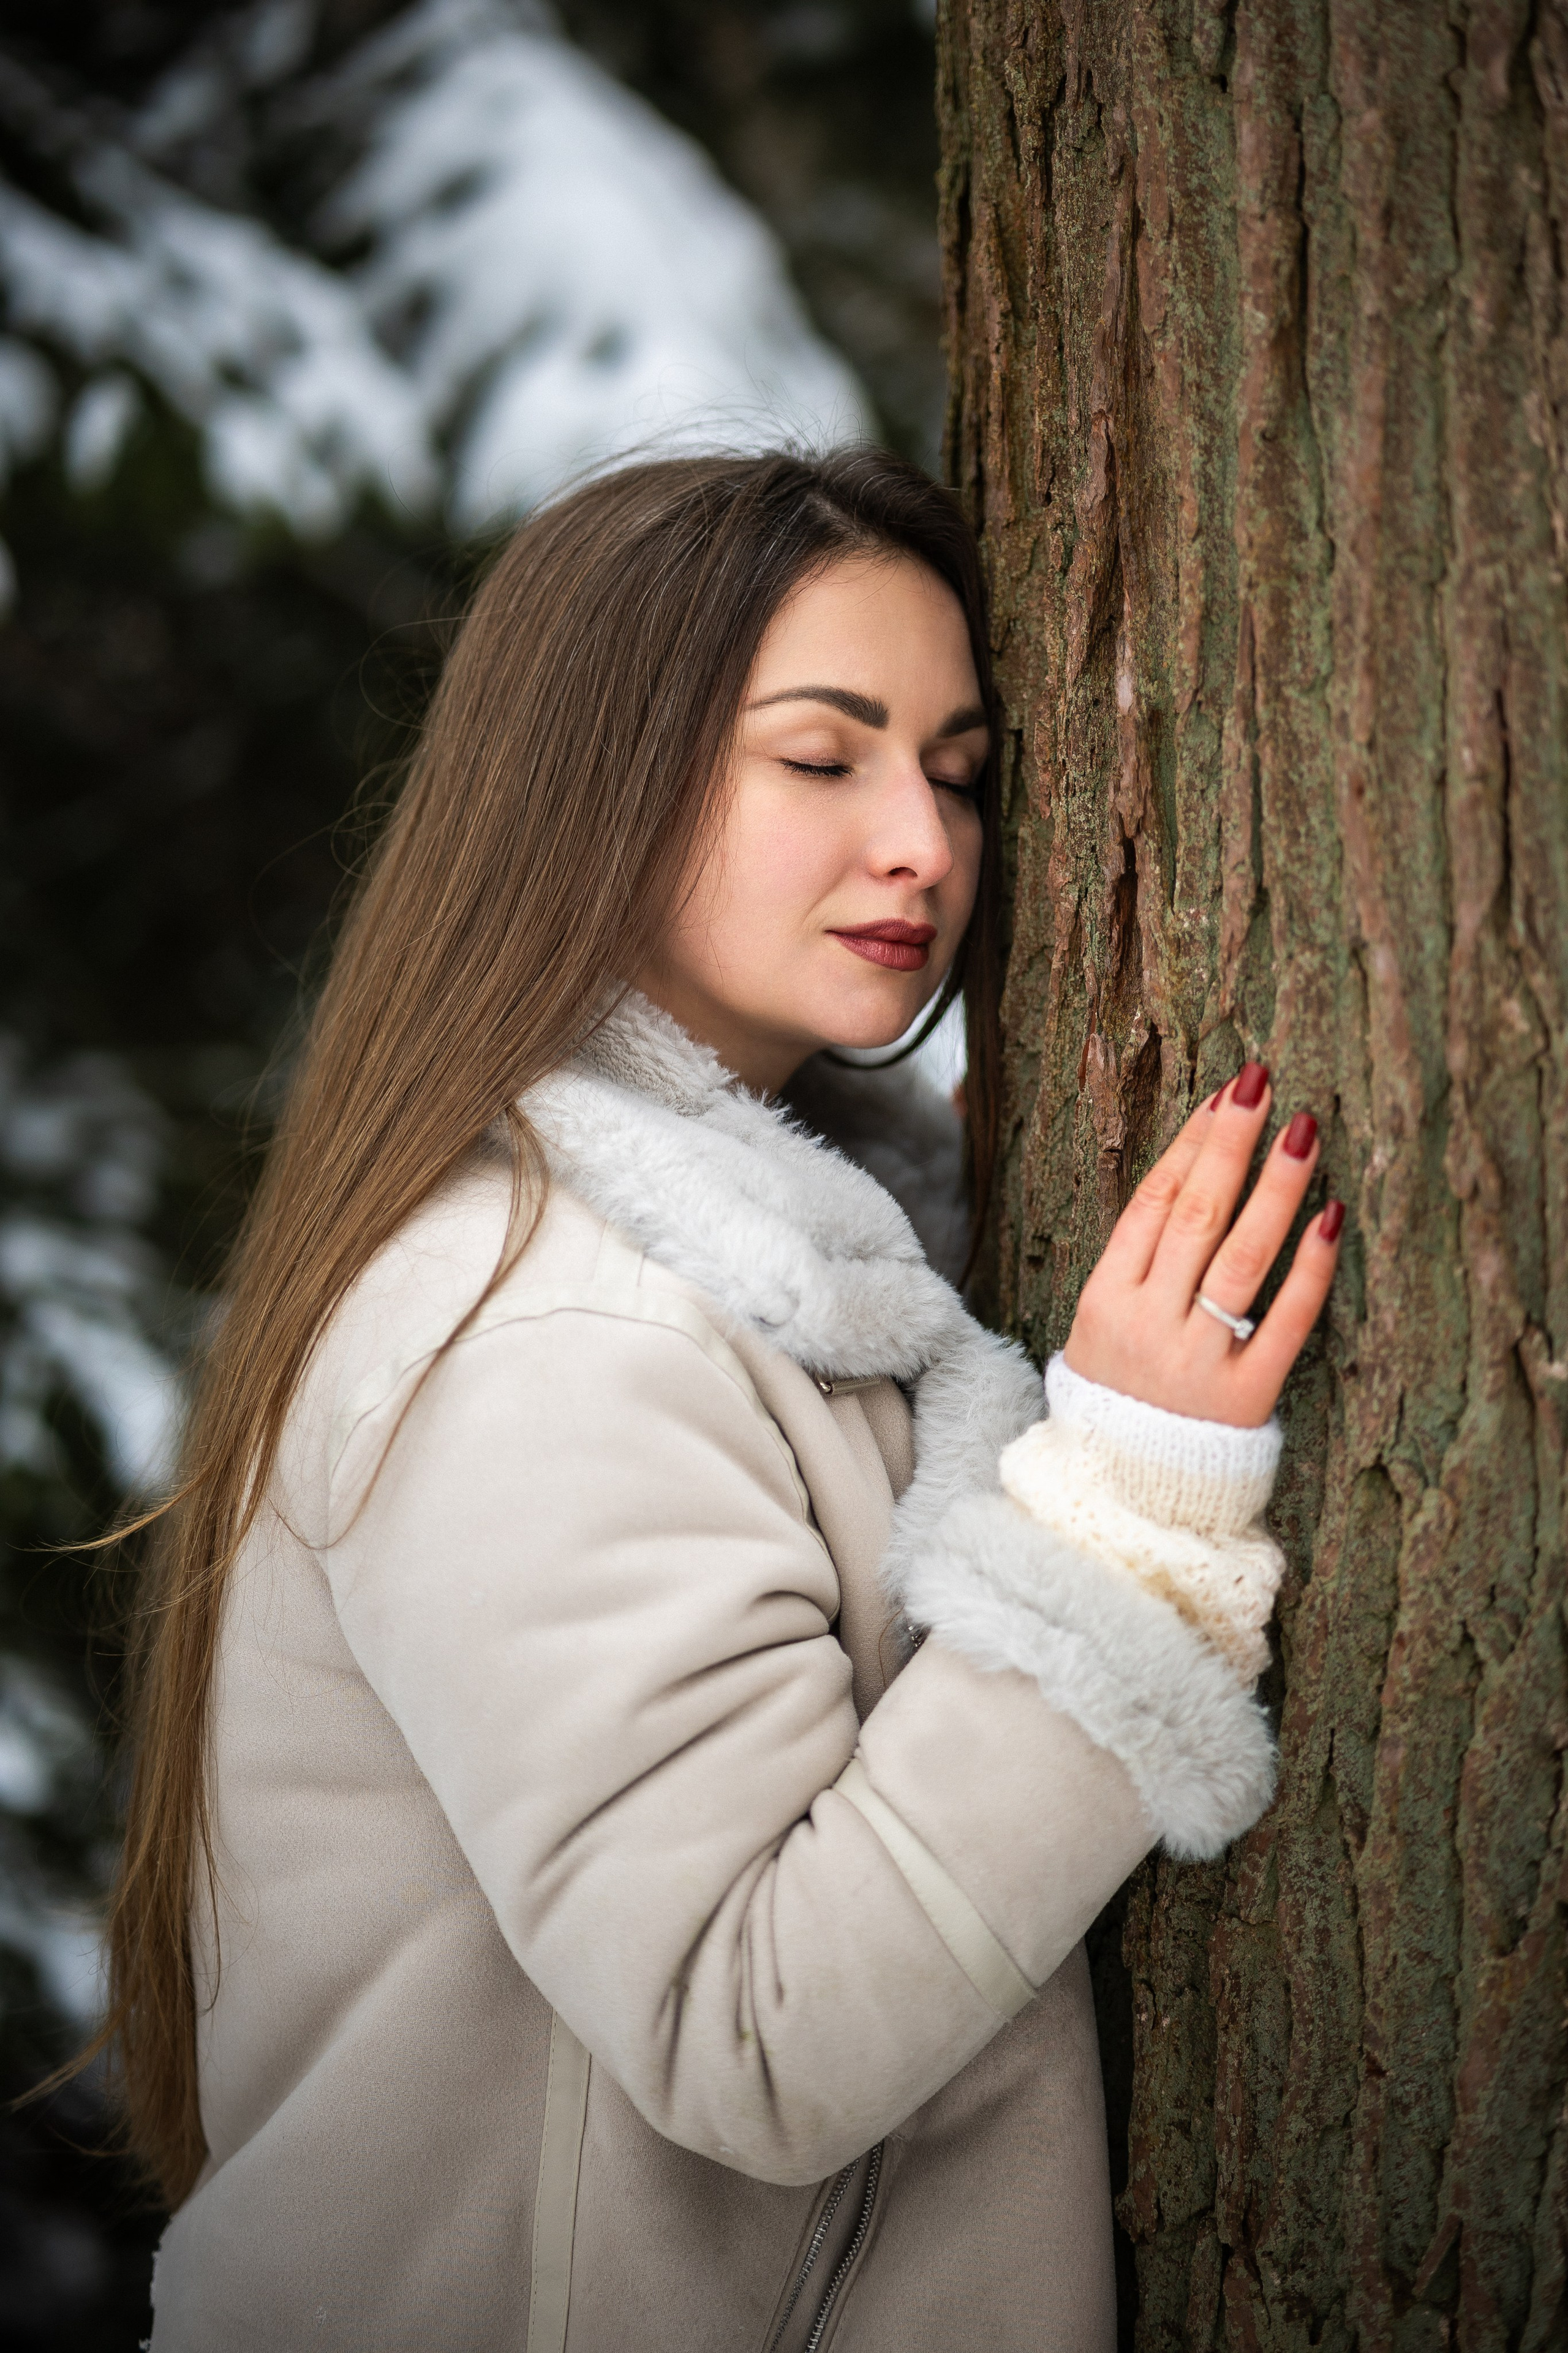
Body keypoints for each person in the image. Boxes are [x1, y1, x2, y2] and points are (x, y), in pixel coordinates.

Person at [108, 450, 1341, 2351]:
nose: (925, 842)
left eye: (957, 766)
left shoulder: (776, 1279)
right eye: (823, 754)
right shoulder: (552, 1331)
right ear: (595, 770)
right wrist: (1126, 1524)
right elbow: (753, 2034)